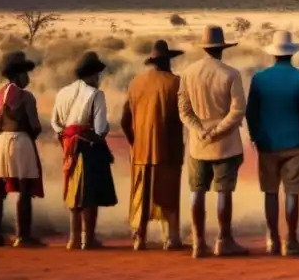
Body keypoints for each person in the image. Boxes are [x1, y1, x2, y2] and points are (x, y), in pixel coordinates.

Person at [178, 25, 248, 258]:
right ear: (222, 48)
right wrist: (217, 130)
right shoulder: (231, 74)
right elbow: (238, 111)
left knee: (197, 190)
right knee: (223, 191)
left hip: (198, 143)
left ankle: (198, 242)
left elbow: (184, 110)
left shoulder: (188, 73)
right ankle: (223, 240)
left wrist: (199, 130)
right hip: (225, 142)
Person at [246, 30, 299, 256]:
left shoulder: (259, 79)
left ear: (273, 54)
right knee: (292, 192)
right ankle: (291, 241)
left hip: (267, 143)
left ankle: (273, 239)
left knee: (270, 192)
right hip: (295, 143)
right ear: (292, 53)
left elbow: (251, 112)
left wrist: (256, 136)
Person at [121, 40, 186, 251]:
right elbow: (185, 116)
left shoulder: (135, 83)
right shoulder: (176, 83)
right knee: (168, 195)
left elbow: (124, 119)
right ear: (168, 60)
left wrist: (135, 141)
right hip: (167, 149)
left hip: (140, 151)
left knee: (140, 195)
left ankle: (139, 237)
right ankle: (170, 238)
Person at [51, 51, 118, 250]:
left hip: (68, 146)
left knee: (73, 191)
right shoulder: (96, 95)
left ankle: (73, 239)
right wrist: (102, 131)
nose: (98, 78)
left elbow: (55, 123)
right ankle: (87, 239)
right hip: (89, 146)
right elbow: (99, 128)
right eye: (97, 74)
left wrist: (67, 137)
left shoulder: (62, 93)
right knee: (90, 194)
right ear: (92, 74)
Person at [0, 51, 45, 248]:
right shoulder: (26, 97)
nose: (27, 78)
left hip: (0, 142)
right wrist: (30, 136)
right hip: (21, 141)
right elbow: (35, 126)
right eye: (25, 74)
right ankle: (23, 236)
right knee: (24, 188)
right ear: (18, 74)